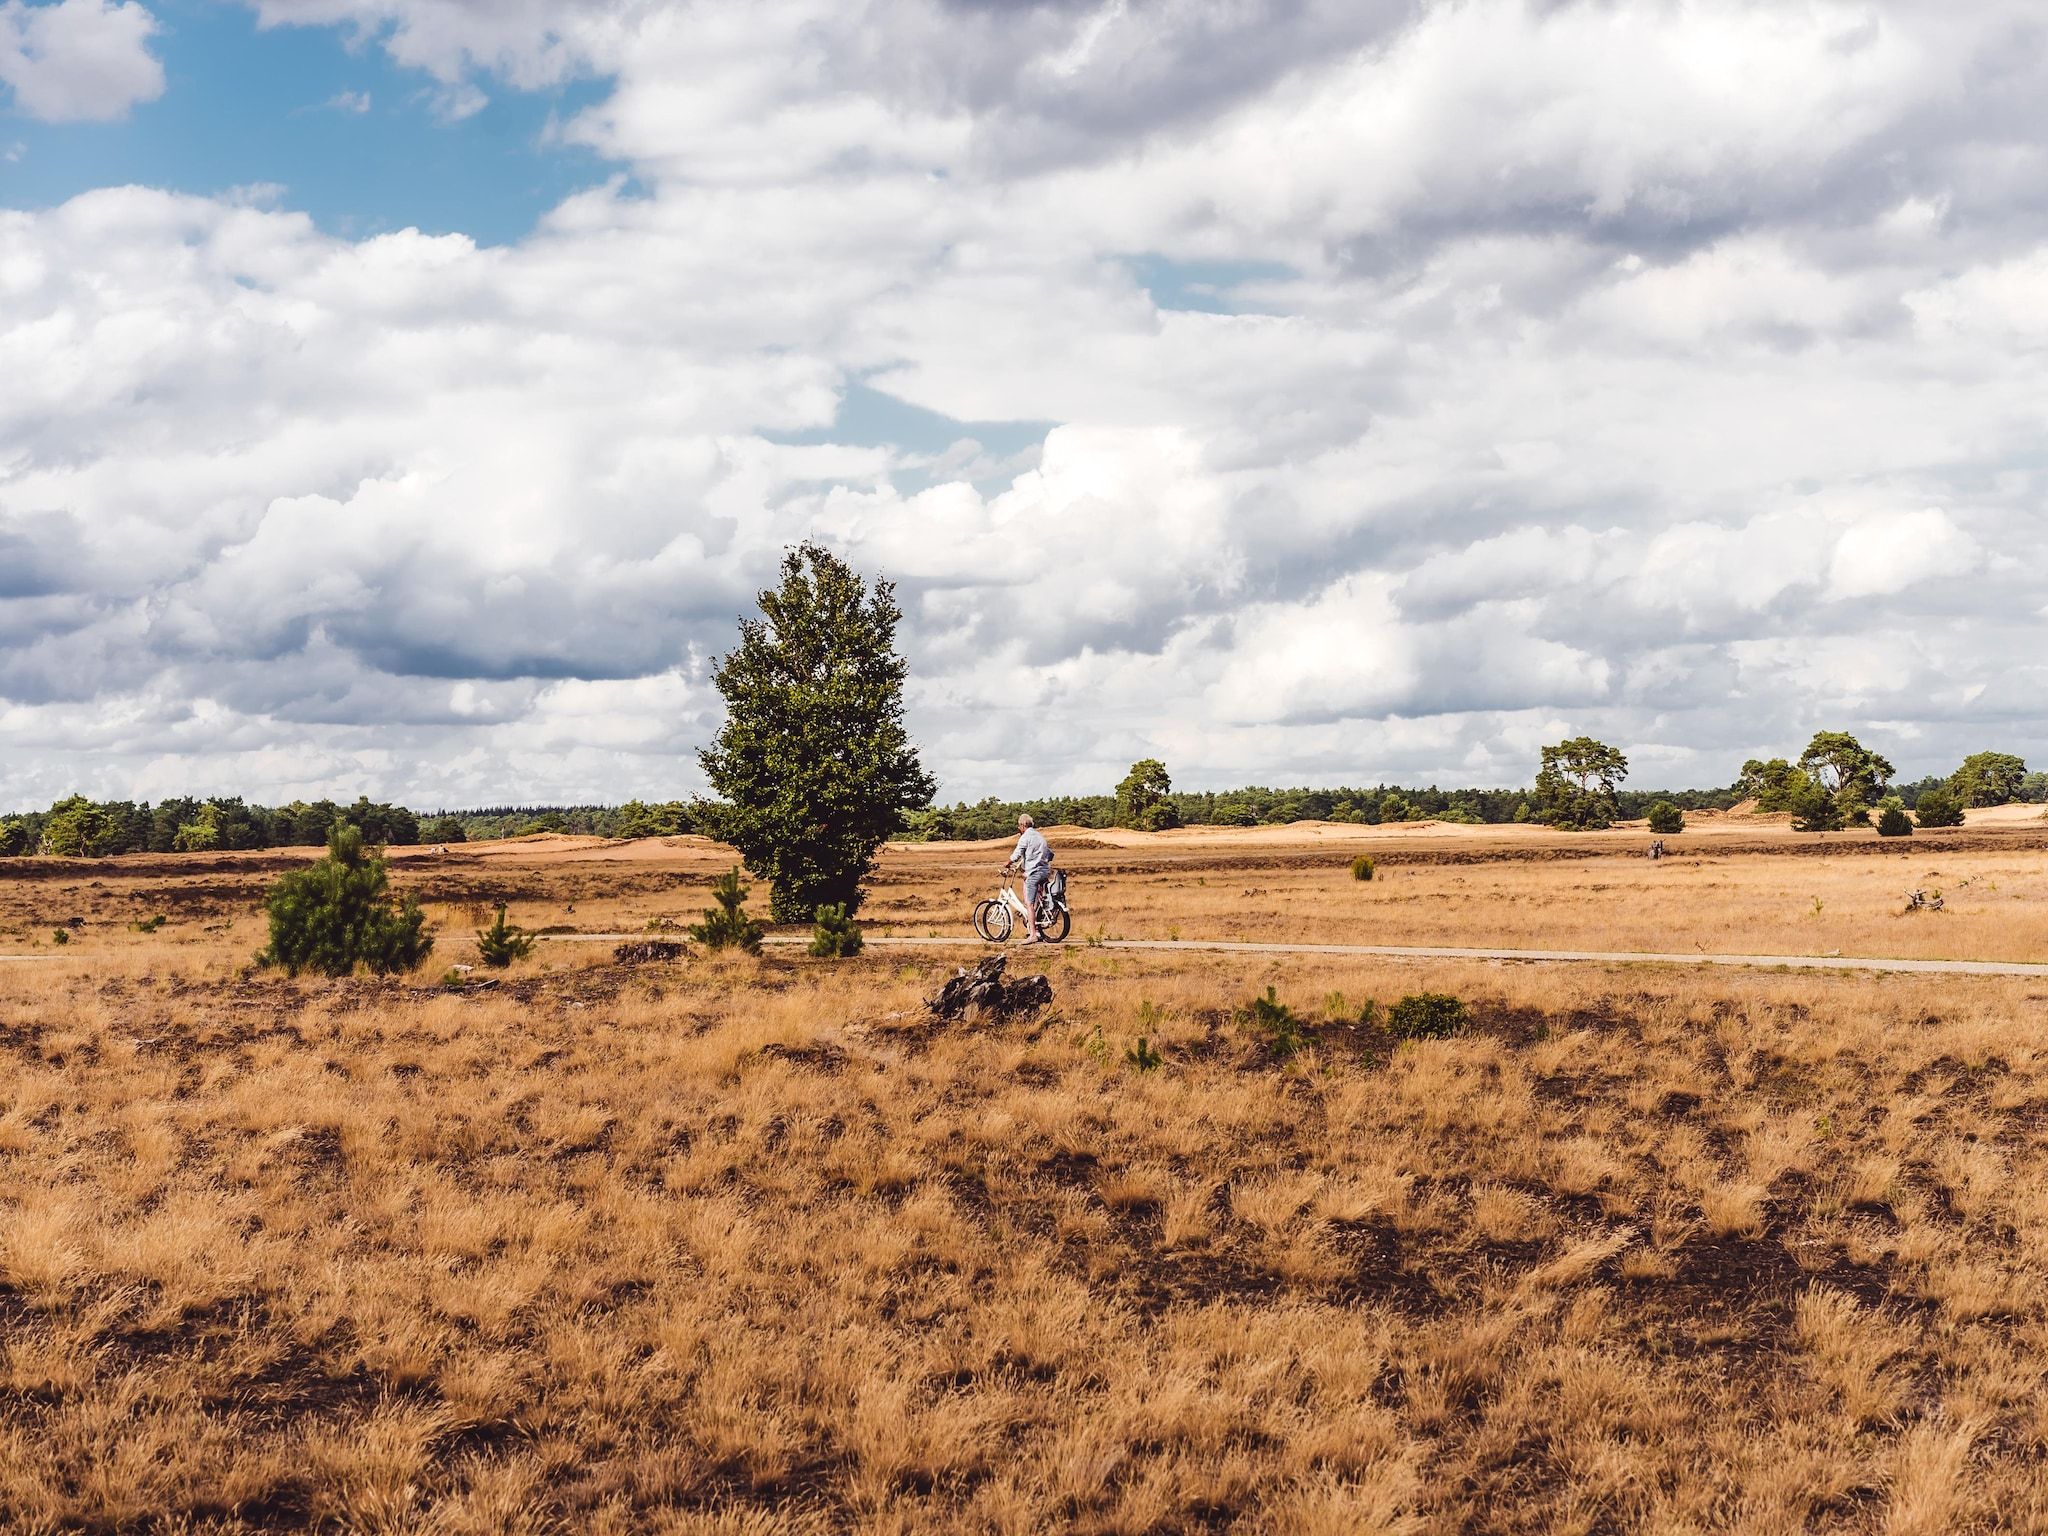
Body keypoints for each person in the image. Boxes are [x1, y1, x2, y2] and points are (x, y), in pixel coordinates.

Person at [1006, 813, 1054, 943]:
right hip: (1044, 872)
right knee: (1037, 901)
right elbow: (1049, 853)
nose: (1019, 828)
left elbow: (1016, 854)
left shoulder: (1025, 837)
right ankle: (1038, 928)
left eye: (1019, 826)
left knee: (1029, 904)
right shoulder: (1040, 836)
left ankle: (1033, 934)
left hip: (1033, 873)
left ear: (1022, 825)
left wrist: (1008, 863)